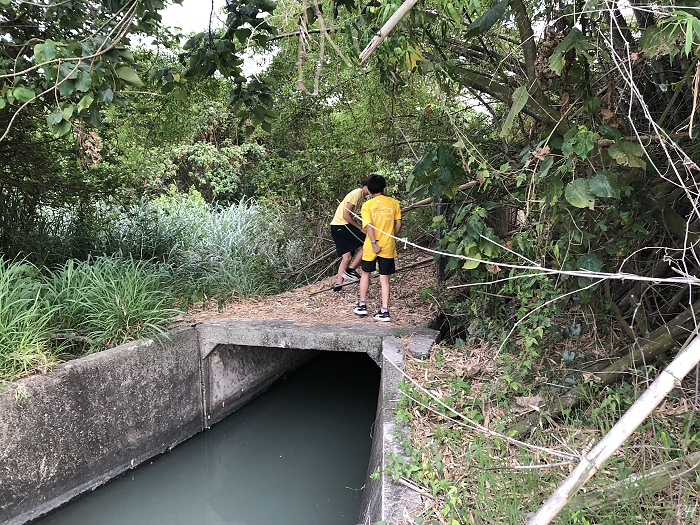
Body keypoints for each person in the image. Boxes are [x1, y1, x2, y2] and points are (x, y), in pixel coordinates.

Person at [353, 174, 402, 322]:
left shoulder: (367, 205)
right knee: (384, 278)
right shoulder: (394, 202)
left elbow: (369, 226)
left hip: (370, 245)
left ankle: (362, 305)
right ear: (384, 189)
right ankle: (385, 311)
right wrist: (392, 236)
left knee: (365, 274)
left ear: (369, 189)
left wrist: (374, 243)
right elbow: (399, 223)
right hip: (388, 245)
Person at [330, 180, 371, 292]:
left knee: (347, 257)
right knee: (369, 242)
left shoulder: (360, 195)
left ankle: (338, 285)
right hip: (341, 225)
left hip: (336, 226)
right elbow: (346, 215)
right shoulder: (357, 193)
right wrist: (359, 228)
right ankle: (350, 270)